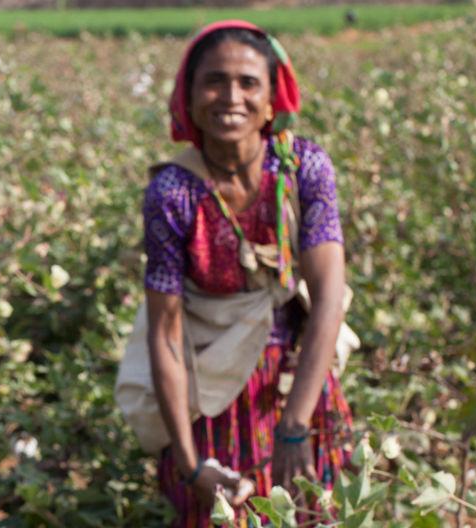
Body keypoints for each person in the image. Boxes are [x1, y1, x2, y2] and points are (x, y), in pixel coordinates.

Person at [134, 20, 353, 527]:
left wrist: (295, 425)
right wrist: (190, 465)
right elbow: (165, 334)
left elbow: (328, 298)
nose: (231, 96)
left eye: (248, 83)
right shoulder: (174, 193)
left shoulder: (303, 169)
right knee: (222, 513)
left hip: (298, 382)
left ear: (273, 100)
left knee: (311, 509)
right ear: (188, 99)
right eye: (214, 81)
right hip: (214, 389)